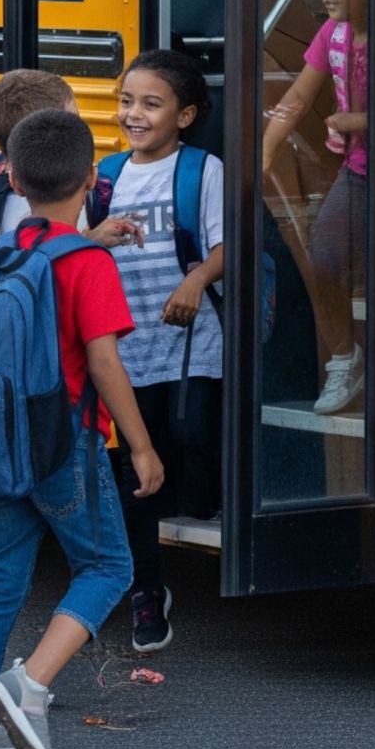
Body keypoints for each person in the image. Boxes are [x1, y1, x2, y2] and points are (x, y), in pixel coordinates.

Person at [0, 107, 162, 749]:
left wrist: (94, 240)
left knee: (1, 577)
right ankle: (30, 682)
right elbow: (104, 360)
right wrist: (140, 446)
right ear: (94, 175)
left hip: (6, 445)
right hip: (67, 445)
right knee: (108, 568)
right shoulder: (86, 264)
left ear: (15, 180)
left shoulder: (11, 250)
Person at [92, 49, 224, 654]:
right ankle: (147, 589)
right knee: (135, 475)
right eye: (126, 101)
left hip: (193, 340)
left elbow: (225, 245)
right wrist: (94, 237)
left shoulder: (202, 169)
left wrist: (196, 282)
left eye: (150, 103)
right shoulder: (106, 176)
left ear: (186, 114)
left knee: (193, 434)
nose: (133, 114)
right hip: (125, 346)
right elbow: (77, 247)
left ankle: (202, 523)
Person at [261, 0, 368, 415]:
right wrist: (265, 150)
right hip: (359, 170)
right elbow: (298, 98)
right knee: (324, 256)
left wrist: (356, 122)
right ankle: (346, 358)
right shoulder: (333, 33)